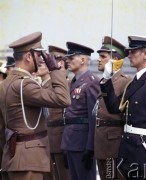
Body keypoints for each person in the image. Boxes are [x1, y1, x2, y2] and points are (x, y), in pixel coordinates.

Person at [0, 31, 71, 180]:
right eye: (38, 56)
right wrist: (55, 70)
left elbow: (2, 127)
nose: (41, 60)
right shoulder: (25, 85)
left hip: (12, 158)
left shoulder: (5, 84)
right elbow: (63, 99)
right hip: (29, 161)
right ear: (28, 56)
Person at [100, 35, 146, 179]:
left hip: (144, 152)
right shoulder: (135, 82)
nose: (129, 55)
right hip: (129, 150)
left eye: (134, 51)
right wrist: (107, 79)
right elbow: (114, 109)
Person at [61, 42, 100, 180]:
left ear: (83, 60)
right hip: (71, 141)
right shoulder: (74, 81)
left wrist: (90, 148)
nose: (67, 61)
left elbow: (93, 117)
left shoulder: (92, 82)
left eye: (71, 58)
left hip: (82, 144)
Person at [94, 36, 131, 180]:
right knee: (104, 177)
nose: (98, 59)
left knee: (111, 176)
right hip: (101, 141)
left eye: (103, 56)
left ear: (115, 60)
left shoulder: (125, 82)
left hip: (112, 144)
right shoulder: (104, 81)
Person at [37, 45, 70, 180]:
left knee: (63, 176)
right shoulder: (43, 85)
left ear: (60, 63)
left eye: (44, 62)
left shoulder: (62, 85)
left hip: (59, 139)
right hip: (48, 139)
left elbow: (67, 114)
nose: (40, 64)